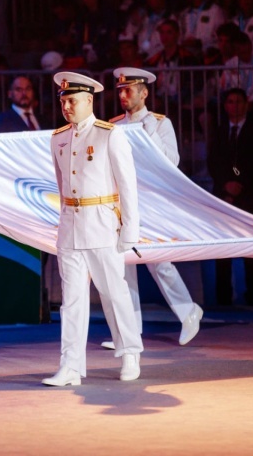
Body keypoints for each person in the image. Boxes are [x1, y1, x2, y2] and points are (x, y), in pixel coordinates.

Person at [44, 71, 143, 386]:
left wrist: (129, 229)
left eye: (72, 101)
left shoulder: (109, 134)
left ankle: (130, 353)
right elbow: (62, 186)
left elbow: (128, 186)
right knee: (71, 301)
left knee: (113, 293)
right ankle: (71, 367)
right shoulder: (58, 138)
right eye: (63, 101)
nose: (66, 107)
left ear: (89, 100)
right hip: (70, 227)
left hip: (101, 223)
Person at [98, 67, 202, 348]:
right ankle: (130, 333)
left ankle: (189, 311)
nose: (123, 95)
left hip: (150, 203)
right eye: (120, 90)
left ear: (143, 93)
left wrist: (147, 132)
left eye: (128, 90)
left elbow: (172, 161)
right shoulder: (114, 124)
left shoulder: (159, 123)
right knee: (124, 267)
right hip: (121, 202)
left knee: (159, 263)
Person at [208, 87, 253, 305]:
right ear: (225, 106)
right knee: (223, 248)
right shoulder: (220, 131)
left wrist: (237, 183)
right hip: (222, 196)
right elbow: (214, 161)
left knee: (250, 248)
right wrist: (225, 184)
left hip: (246, 195)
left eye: (238, 101)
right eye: (230, 102)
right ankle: (223, 296)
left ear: (246, 104)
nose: (235, 106)